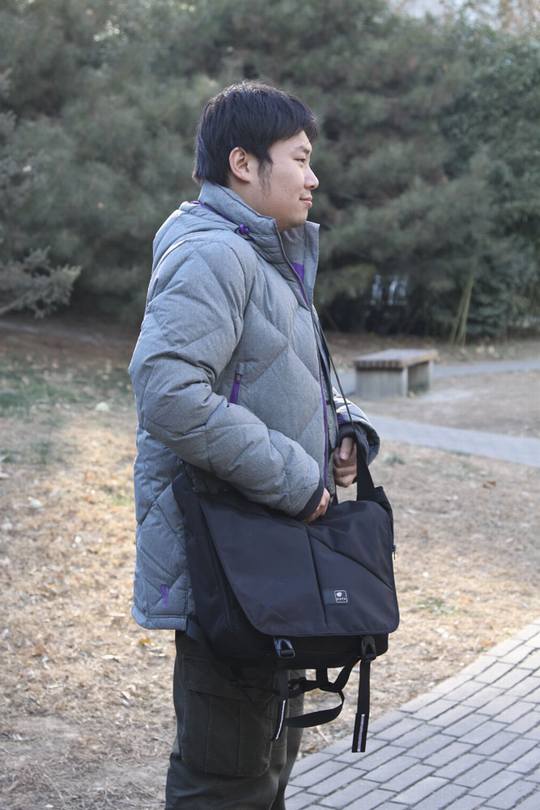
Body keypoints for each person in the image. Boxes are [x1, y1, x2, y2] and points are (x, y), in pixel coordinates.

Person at [128, 81, 380, 810]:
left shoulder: (269, 259)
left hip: (269, 567)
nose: (313, 177)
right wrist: (297, 481)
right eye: (299, 158)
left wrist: (347, 435)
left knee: (264, 772)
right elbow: (169, 393)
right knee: (226, 783)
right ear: (243, 163)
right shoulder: (214, 256)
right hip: (231, 565)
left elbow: (289, 381)